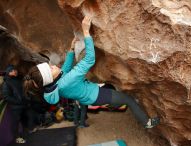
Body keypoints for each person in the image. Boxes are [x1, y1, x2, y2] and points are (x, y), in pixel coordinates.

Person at [23, 16, 160, 129]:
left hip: (90, 93)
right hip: (97, 95)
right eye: (50, 68)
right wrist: (86, 32)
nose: (52, 65)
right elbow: (89, 59)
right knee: (129, 100)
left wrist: (71, 49)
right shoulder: (67, 81)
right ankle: (147, 123)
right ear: (49, 77)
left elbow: (65, 69)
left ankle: (113, 104)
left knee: (113, 90)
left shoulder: (54, 85)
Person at [2, 65, 27, 144]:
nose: (16, 71)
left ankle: (23, 134)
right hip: (15, 107)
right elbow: (6, 96)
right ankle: (17, 138)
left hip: (22, 105)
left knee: (23, 120)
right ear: (9, 72)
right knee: (15, 123)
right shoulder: (6, 83)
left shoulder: (17, 80)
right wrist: (18, 101)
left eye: (16, 70)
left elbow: (22, 91)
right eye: (13, 70)